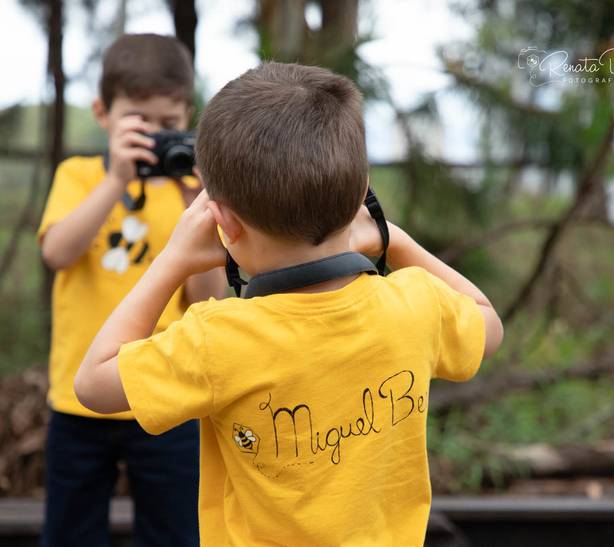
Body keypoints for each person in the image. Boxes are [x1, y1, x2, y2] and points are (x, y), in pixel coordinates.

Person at [74, 62, 504, 547]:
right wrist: (393, 240)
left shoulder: (218, 340)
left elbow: (93, 383)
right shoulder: (415, 305)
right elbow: (488, 323)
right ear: (360, 194)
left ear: (224, 223)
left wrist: (171, 262)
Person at [37, 34, 223, 547]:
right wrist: (115, 180)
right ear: (103, 112)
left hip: (164, 395)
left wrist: (200, 207)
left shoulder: (191, 199)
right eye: (140, 123)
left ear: (188, 115)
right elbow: (58, 253)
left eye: (170, 125)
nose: (157, 138)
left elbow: (210, 300)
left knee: (177, 532)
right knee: (70, 532)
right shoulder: (78, 176)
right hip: (78, 398)